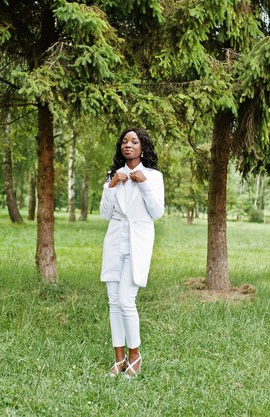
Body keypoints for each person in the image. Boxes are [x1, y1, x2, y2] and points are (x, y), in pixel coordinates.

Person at [99, 127, 165, 378]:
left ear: (142, 147)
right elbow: (105, 213)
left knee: (127, 300)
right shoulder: (113, 176)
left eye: (134, 141)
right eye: (124, 142)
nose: (128, 145)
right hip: (115, 242)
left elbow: (157, 212)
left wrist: (144, 184)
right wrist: (112, 185)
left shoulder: (154, 177)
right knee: (113, 302)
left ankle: (136, 356)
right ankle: (119, 358)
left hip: (138, 243)